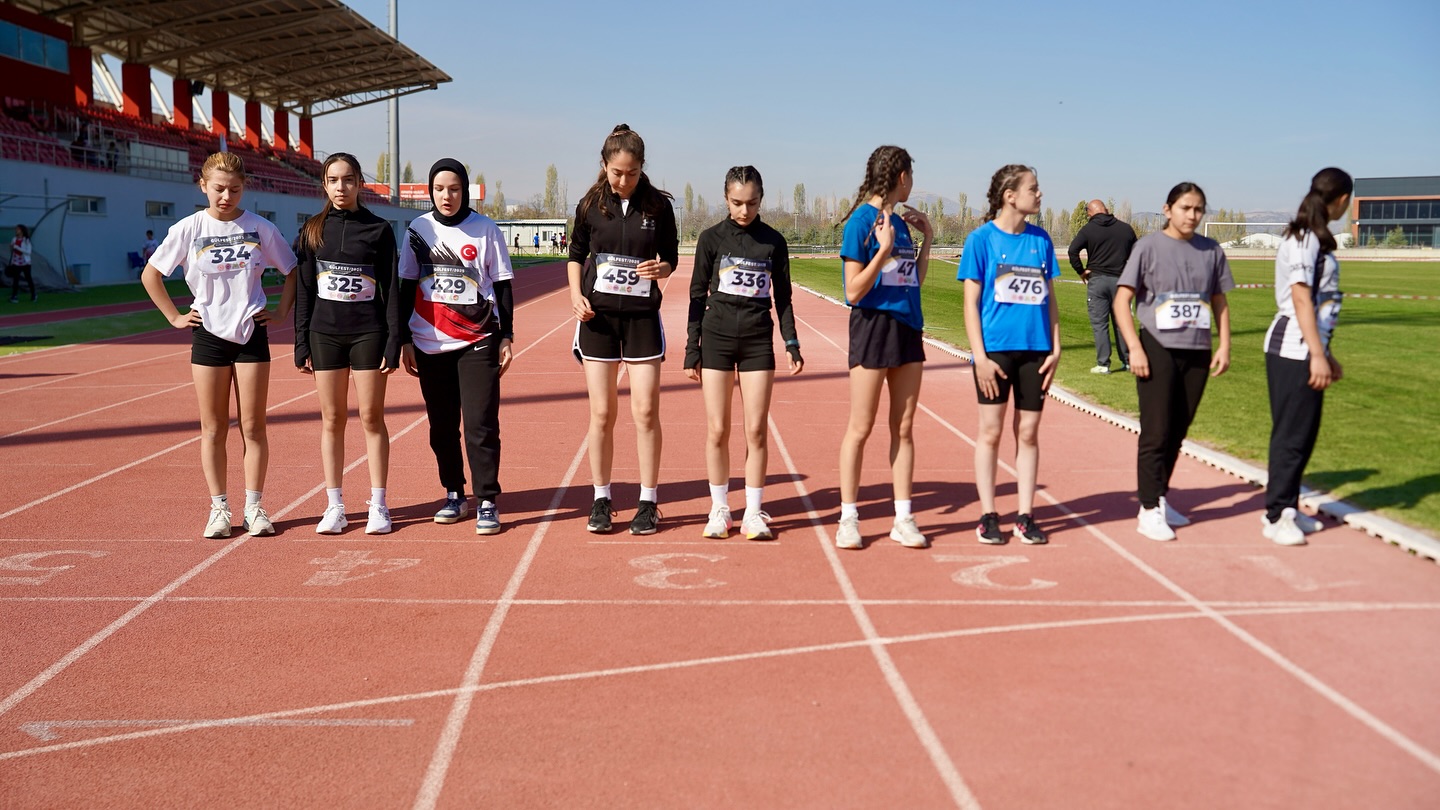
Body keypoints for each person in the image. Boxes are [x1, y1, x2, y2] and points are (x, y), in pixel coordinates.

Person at [140, 152, 298, 538]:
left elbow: (293, 270)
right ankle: (219, 509)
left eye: (235, 189)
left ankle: (255, 508)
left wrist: (279, 314)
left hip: (250, 333)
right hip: (208, 334)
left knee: (253, 426)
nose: (227, 196)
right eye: (219, 189)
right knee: (213, 428)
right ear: (203, 186)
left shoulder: (261, 228)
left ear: (245, 189)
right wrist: (175, 317)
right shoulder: (188, 229)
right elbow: (151, 275)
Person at [568, 124, 678, 535]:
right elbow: (576, 254)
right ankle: (601, 498)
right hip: (597, 320)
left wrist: (662, 268)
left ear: (642, 168)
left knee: (646, 412)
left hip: (642, 320)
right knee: (602, 413)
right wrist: (574, 296)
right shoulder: (591, 204)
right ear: (604, 165)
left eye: (631, 173)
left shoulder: (657, 206)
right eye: (616, 172)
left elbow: (670, 258)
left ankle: (648, 502)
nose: (623, 180)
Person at [686, 165, 803, 540]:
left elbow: (782, 297)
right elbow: (695, 296)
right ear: (726, 199)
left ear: (760, 200)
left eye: (751, 203)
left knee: (755, 429)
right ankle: (720, 508)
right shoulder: (710, 239)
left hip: (756, 342)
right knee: (718, 429)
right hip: (717, 338)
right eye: (737, 203)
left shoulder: (773, 242)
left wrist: (791, 342)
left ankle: (753, 511)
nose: (744, 210)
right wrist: (692, 349)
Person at [399, 159, 515, 534]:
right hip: (429, 341)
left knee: (480, 423)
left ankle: (486, 500)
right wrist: (403, 339)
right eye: (439, 189)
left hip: (478, 338)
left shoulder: (485, 229)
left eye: (453, 188)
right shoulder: (418, 230)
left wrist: (507, 335)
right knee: (442, 427)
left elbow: (502, 285)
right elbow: (404, 286)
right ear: (430, 191)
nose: (446, 196)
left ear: (464, 189)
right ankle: (454, 493)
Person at [1114, 182, 1234, 542]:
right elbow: (1122, 301)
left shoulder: (1210, 250)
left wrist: (1224, 345)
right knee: (1156, 430)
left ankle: (1161, 498)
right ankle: (1148, 508)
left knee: (1179, 430)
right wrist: (1134, 347)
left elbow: (1219, 301)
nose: (1192, 215)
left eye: (1198, 209)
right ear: (1168, 209)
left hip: (1196, 350)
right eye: (1185, 208)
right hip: (1157, 347)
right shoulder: (1148, 247)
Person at [293, 152, 402, 535]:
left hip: (369, 333)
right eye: (334, 180)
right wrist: (300, 343)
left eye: (349, 180)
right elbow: (305, 292)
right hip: (325, 336)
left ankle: (379, 504)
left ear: (360, 183)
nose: (342, 187)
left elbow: (392, 290)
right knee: (332, 419)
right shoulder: (311, 230)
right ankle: (335, 505)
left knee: (371, 417)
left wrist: (394, 341)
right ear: (324, 184)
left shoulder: (379, 229)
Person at [833, 145, 933, 550]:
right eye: (912, 175)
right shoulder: (860, 221)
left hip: (908, 328)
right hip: (873, 327)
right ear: (901, 177)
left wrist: (926, 239)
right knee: (861, 427)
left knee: (904, 428)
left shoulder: (902, 223)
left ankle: (903, 518)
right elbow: (853, 291)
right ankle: (848, 517)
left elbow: (913, 282)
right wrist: (884, 251)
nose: (913, 182)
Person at [958, 164, 1061, 546]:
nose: (1040, 193)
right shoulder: (981, 240)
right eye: (1034, 188)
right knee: (991, 432)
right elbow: (970, 304)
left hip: (1035, 351)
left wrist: (1057, 344)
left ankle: (1025, 515)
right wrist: (979, 356)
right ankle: (988, 515)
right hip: (996, 353)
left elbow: (1049, 299)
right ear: (1010, 195)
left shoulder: (1041, 241)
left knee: (1029, 433)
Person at [1261, 168, 1353, 546]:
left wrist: (1325, 354)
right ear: (1343, 199)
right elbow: (1301, 297)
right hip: (1292, 347)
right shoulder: (1302, 239)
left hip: (1310, 346)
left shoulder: (1315, 238)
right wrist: (1316, 353)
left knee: (1306, 433)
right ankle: (1275, 515)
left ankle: (1289, 506)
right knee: (1291, 434)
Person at [1068, 199, 1138, 374]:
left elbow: (1072, 251)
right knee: (1122, 322)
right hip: (1121, 282)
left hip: (1097, 280)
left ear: (1090, 213)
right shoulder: (1125, 229)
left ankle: (1103, 364)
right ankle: (1128, 361)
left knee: (1100, 324)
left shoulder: (1088, 229)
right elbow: (1137, 254)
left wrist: (1081, 271)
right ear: (1106, 210)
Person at [7, 224, 34, 303]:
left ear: (22, 231)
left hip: (25, 263)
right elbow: (13, 251)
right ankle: (14, 296)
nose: (16, 231)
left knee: (28, 278)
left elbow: (28, 252)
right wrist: (11, 248)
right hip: (16, 262)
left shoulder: (26, 240)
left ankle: (33, 294)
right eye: (16, 229)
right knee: (16, 279)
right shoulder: (14, 239)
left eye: (18, 229)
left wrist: (17, 247)